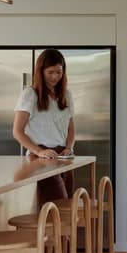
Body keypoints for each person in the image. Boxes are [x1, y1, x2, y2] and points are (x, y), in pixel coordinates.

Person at [13, 49, 75, 203]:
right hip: (42, 158)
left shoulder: (66, 95)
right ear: (41, 72)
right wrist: (39, 151)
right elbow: (17, 131)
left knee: (67, 205)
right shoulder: (30, 94)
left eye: (59, 72)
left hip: (64, 156)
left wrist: (69, 147)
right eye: (50, 72)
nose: (55, 77)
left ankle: (61, 228)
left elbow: (71, 127)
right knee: (57, 205)